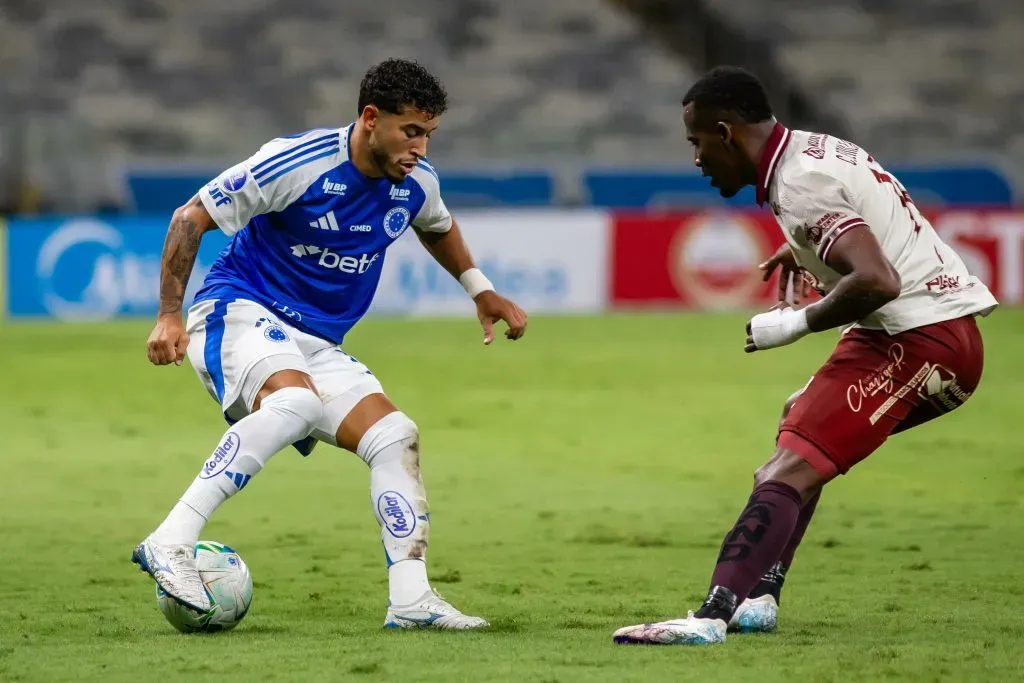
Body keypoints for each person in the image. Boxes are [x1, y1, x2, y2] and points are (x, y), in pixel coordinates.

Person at [132, 58, 527, 630]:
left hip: (315, 340)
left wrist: (479, 289)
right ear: (371, 118)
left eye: (429, 134)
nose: (420, 147)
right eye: (410, 131)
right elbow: (190, 217)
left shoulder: (415, 184)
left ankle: (411, 601)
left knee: (395, 436)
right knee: (297, 403)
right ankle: (171, 540)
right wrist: (169, 315)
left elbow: (436, 225)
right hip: (238, 309)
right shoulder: (297, 162)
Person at [613, 66, 997, 646]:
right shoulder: (816, 151)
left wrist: (793, 325)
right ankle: (760, 596)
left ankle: (710, 617)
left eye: (696, 143)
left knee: (784, 470)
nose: (695, 159)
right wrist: (805, 249)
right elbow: (871, 224)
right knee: (797, 430)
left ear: (726, 132)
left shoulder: (798, 184)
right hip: (932, 332)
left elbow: (877, 278)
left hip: (917, 338)